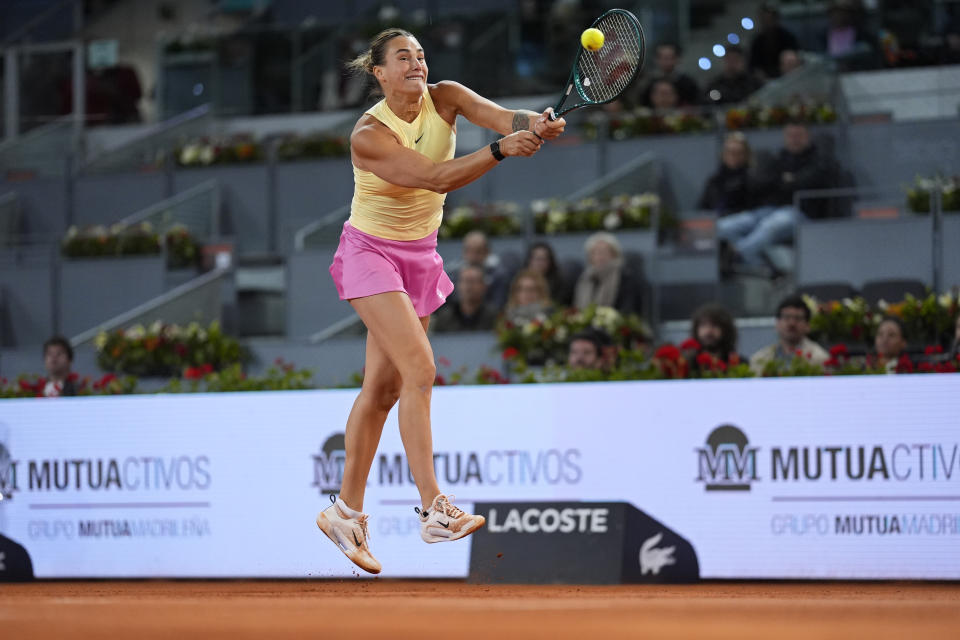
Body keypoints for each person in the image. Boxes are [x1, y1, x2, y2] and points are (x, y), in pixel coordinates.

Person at [318, 28, 565, 575]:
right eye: (402, 57)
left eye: (421, 55)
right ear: (378, 73)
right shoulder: (368, 134)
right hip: (370, 253)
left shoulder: (447, 97)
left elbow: (504, 118)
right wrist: (501, 152)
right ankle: (433, 507)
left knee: (382, 390)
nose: (416, 63)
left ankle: (345, 512)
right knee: (420, 368)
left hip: (420, 256)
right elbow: (433, 178)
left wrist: (535, 123)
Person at [716, 121, 838, 268]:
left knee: (771, 225)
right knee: (723, 226)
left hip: (803, 213)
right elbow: (767, 184)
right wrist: (788, 180)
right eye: (791, 135)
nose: (795, 139)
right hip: (773, 209)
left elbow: (804, 182)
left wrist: (788, 181)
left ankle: (736, 254)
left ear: (808, 136)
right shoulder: (778, 158)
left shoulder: (819, 160)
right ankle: (758, 265)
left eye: (799, 135)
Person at [750, 294, 829, 374]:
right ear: (777, 323)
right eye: (786, 317)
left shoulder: (820, 358)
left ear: (808, 325)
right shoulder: (759, 359)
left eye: (798, 318)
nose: (792, 323)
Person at [572, 232, 638, 314]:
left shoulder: (624, 276)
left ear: (614, 254)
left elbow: (627, 308)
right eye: (595, 253)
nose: (600, 257)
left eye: (604, 252)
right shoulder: (585, 277)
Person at [698, 132, 759, 216]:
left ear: (746, 155)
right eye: (729, 152)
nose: (733, 156)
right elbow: (702, 208)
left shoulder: (753, 178)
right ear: (723, 154)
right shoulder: (714, 180)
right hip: (714, 223)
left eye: (739, 152)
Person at [431, 265, 498, 332]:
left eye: (473, 281)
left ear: (484, 286)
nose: (468, 287)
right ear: (458, 285)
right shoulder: (444, 317)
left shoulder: (494, 317)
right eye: (465, 281)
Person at [749, 2, 801, 79]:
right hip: (767, 80)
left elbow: (796, 55)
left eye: (770, 19)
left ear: (776, 19)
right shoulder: (757, 41)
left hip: (790, 77)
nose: (767, 23)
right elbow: (754, 66)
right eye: (764, 19)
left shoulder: (787, 36)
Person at [460, 230, 510, 309]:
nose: (473, 256)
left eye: (478, 251)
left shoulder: (499, 275)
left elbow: (498, 304)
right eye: (469, 251)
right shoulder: (456, 274)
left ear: (487, 252)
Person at [523, 241, 570, 305]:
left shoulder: (559, 283)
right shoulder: (521, 281)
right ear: (529, 260)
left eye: (544, 259)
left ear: (550, 261)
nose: (540, 263)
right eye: (537, 259)